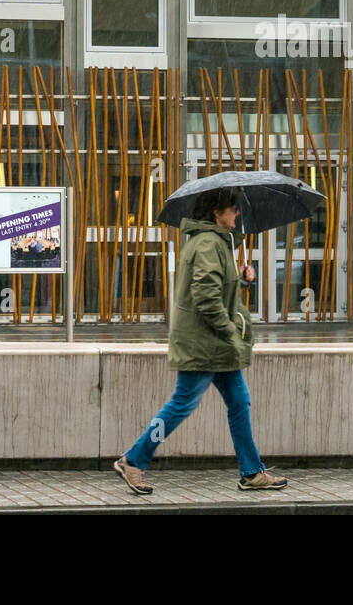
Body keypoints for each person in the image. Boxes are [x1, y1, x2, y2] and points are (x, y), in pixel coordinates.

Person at [113, 187, 286, 494]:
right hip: (204, 343)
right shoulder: (208, 244)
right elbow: (206, 298)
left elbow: (217, 290)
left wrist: (242, 280)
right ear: (216, 213)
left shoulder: (217, 243)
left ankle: (251, 472)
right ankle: (134, 459)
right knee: (182, 403)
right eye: (232, 208)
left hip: (215, 346)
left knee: (239, 403)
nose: (237, 213)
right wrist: (230, 332)